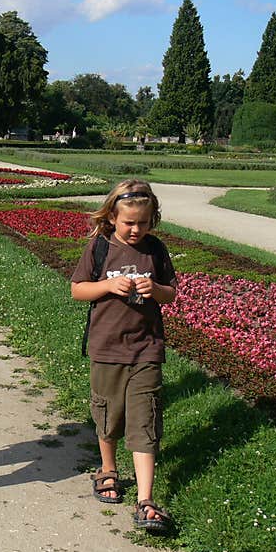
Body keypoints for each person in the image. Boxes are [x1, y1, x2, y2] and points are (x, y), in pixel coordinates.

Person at [70, 179, 178, 533]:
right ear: (112, 217)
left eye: (143, 223)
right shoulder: (100, 247)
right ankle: (108, 469)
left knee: (145, 419)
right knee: (108, 412)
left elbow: (170, 294)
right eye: (129, 222)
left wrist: (156, 289)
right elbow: (77, 289)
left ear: (153, 220)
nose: (136, 229)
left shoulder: (155, 251)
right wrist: (107, 285)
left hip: (147, 347)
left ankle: (145, 499)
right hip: (107, 347)